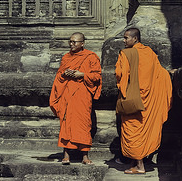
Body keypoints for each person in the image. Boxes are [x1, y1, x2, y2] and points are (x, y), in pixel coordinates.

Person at [115, 28, 173, 174]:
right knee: (141, 130)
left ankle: (140, 166)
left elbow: (120, 75)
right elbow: (159, 74)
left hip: (133, 100)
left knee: (133, 130)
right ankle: (135, 163)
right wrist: (169, 73)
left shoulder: (126, 54)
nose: (124, 40)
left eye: (126, 38)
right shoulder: (149, 53)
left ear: (135, 39)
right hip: (146, 101)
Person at [50, 32, 102, 165]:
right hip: (67, 94)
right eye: (70, 41)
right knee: (66, 123)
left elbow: (97, 76)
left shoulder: (91, 57)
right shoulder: (66, 57)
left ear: (82, 43)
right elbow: (59, 76)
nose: (72, 44)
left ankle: (85, 156)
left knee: (83, 124)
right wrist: (64, 74)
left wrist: (82, 74)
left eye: (75, 42)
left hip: (82, 95)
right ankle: (66, 155)